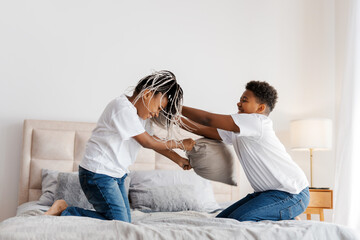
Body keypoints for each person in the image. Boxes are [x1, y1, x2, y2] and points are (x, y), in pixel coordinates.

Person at [45, 70, 195, 222]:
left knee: (123, 221)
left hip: (116, 175)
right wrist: (180, 143)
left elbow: (154, 141)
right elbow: (147, 142)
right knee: (120, 222)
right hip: (98, 173)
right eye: (158, 108)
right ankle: (66, 211)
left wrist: (178, 159)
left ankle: (66, 210)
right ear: (148, 94)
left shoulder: (140, 116)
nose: (156, 114)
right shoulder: (122, 108)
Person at [180, 80, 309, 222]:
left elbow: (207, 119)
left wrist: (175, 106)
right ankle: (283, 213)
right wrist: (173, 118)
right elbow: (203, 129)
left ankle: (287, 214)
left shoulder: (257, 122)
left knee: (239, 220)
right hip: (266, 194)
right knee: (222, 220)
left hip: (292, 194)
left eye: (244, 100)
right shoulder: (241, 128)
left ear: (260, 108)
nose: (239, 103)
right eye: (240, 99)